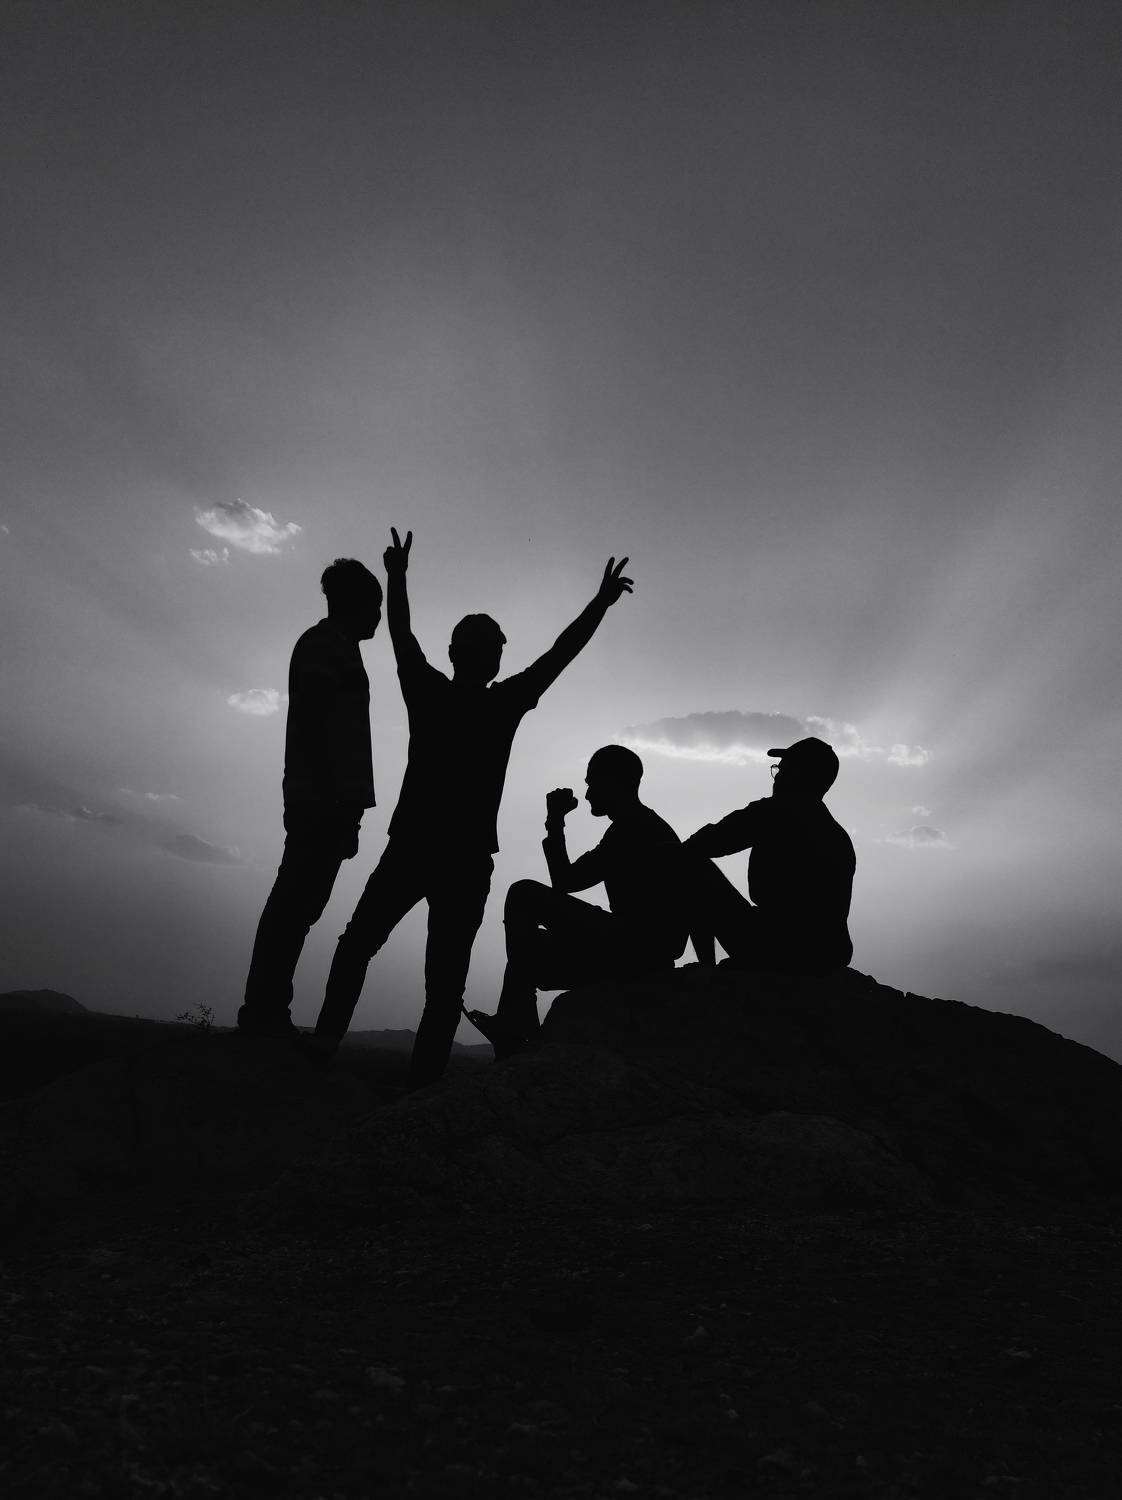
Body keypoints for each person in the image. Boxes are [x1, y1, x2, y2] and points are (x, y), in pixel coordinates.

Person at [313, 529, 634, 1087]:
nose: (500, 658)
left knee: (363, 947)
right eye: (497, 650)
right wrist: (600, 604)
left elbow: (402, 636)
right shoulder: (498, 703)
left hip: (417, 848)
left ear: (455, 654)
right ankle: (417, 1087)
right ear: (488, 660)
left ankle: (327, 1049)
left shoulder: (431, 692)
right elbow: (558, 655)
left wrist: (398, 577)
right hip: (455, 859)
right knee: (437, 983)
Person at [467, 744, 691, 1057]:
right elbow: (570, 881)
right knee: (528, 949)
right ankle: (514, 1026)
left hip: (635, 951)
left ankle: (516, 1021)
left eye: (593, 784)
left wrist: (555, 820)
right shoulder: (633, 827)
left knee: (523, 894)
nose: (587, 795)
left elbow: (566, 881)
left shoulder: (635, 828)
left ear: (617, 782)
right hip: (634, 951)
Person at [238, 558, 383, 1037]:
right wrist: (335, 804)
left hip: (329, 801)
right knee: (293, 905)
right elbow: (320, 729)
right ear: (356, 603)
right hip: (320, 800)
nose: (378, 616)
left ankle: (268, 1010)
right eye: (375, 605)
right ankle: (263, 1013)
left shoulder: (338, 648)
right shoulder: (323, 647)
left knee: (301, 907)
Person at [683, 735, 856, 975]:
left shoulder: (775, 812)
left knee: (690, 866)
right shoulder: (837, 835)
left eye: (783, 770)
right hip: (830, 952)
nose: (777, 778)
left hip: (777, 945)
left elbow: (703, 844)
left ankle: (706, 972)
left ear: (799, 775)